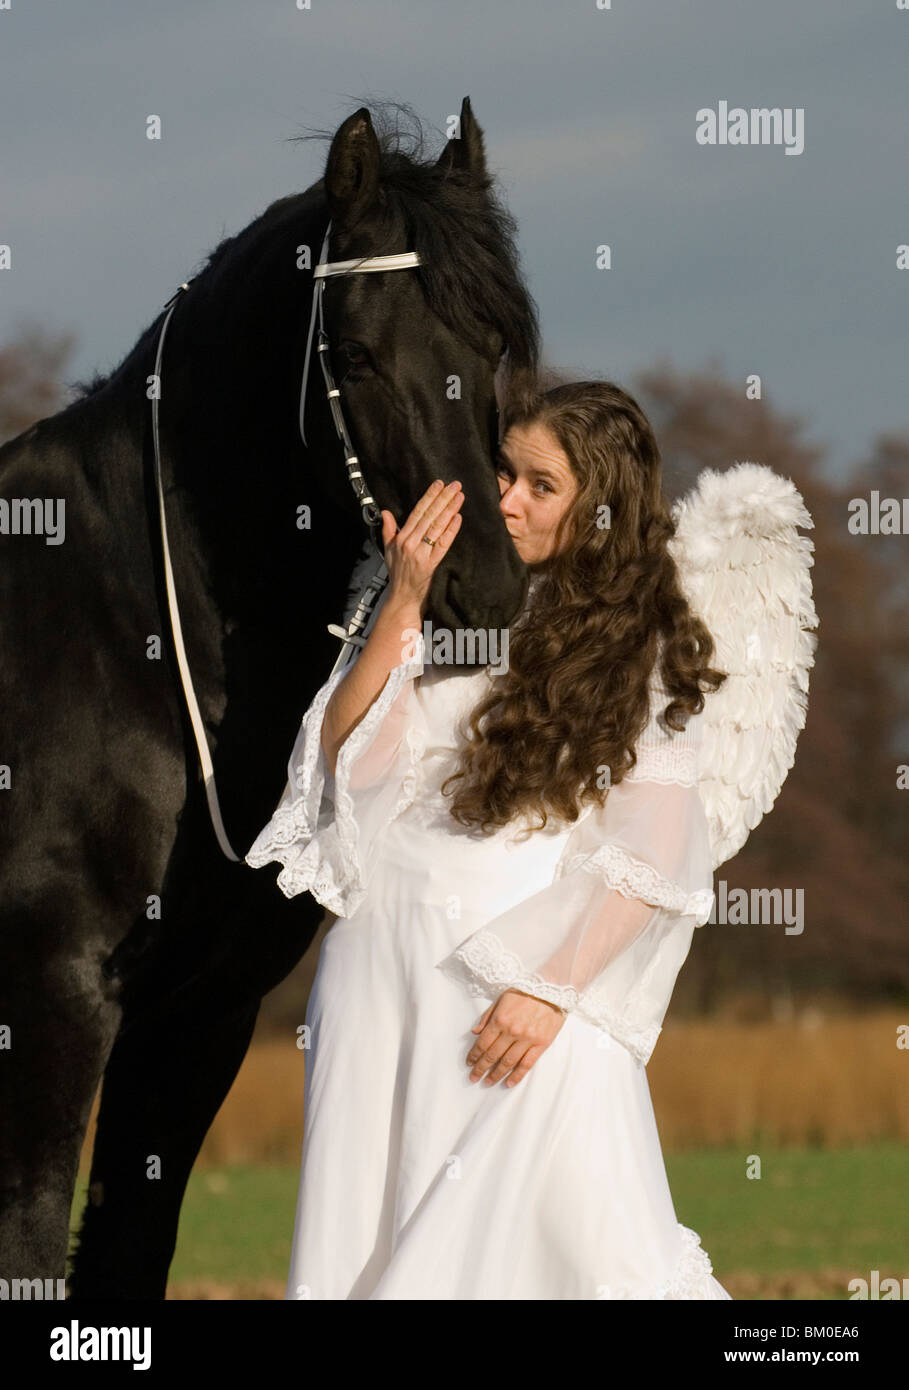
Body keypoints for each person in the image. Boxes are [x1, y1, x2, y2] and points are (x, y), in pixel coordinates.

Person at [246, 380, 733, 1300]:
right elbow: (346, 760)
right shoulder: (452, 609)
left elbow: (655, 854)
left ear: (597, 508)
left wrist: (548, 991)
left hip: (505, 988)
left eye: (538, 485)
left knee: (594, 1253)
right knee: (367, 1237)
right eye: (502, 471)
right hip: (377, 973)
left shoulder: (640, 648)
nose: (506, 497)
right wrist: (401, 603)